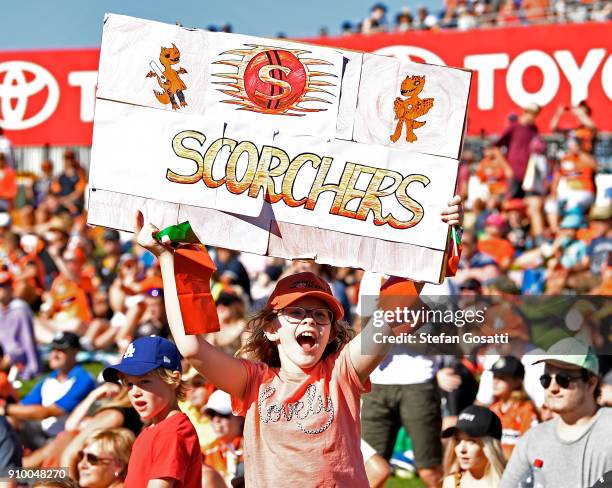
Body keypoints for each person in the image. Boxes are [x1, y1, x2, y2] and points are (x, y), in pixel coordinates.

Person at [135, 197, 462, 487]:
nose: (310, 320)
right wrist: (166, 260)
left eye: (321, 316)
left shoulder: (342, 372)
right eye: (296, 312)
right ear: (272, 329)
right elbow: (191, 347)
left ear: (331, 332)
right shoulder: (253, 381)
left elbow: (391, 313)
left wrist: (435, 233)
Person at [500, 337, 612, 487]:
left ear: (591, 383)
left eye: (563, 379)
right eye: (545, 379)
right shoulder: (533, 438)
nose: (552, 388)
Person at [102, 335, 202, 488]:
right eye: (129, 384)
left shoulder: (173, 432)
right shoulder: (151, 431)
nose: (135, 392)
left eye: (144, 381)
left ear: (173, 380)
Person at [1, 332, 96, 450]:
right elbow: (23, 405)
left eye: (61, 350)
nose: (54, 354)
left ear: (75, 352)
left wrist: (5, 408)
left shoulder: (84, 379)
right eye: (53, 349)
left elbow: (51, 411)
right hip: (41, 433)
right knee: (9, 420)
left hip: (65, 439)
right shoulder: (49, 379)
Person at [442, 405, 506, 487]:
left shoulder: (509, 483)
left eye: (471, 441)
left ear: (490, 447)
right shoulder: (450, 483)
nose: (462, 449)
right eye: (457, 440)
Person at [488, 356, 539, 459]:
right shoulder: (493, 409)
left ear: (517, 381)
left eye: (502, 378)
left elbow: (531, 447)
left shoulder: (526, 409)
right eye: (494, 376)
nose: (495, 381)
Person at [0, 270, 40, 380]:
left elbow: (27, 341)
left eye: (3, 286)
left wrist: (33, 366)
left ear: (10, 288)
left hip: (18, 358)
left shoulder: (19, 308)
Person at [494, 104, 540, 198]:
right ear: (525, 112)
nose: (534, 117)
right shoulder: (514, 127)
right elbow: (496, 148)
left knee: (526, 205)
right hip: (514, 174)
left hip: (529, 175)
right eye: (532, 114)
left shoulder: (534, 129)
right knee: (511, 204)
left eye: (536, 114)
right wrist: (507, 168)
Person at [202, 389, 245, 486]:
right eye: (211, 415)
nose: (216, 420)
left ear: (241, 417)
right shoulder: (206, 454)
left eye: (223, 414)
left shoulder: (255, 448)